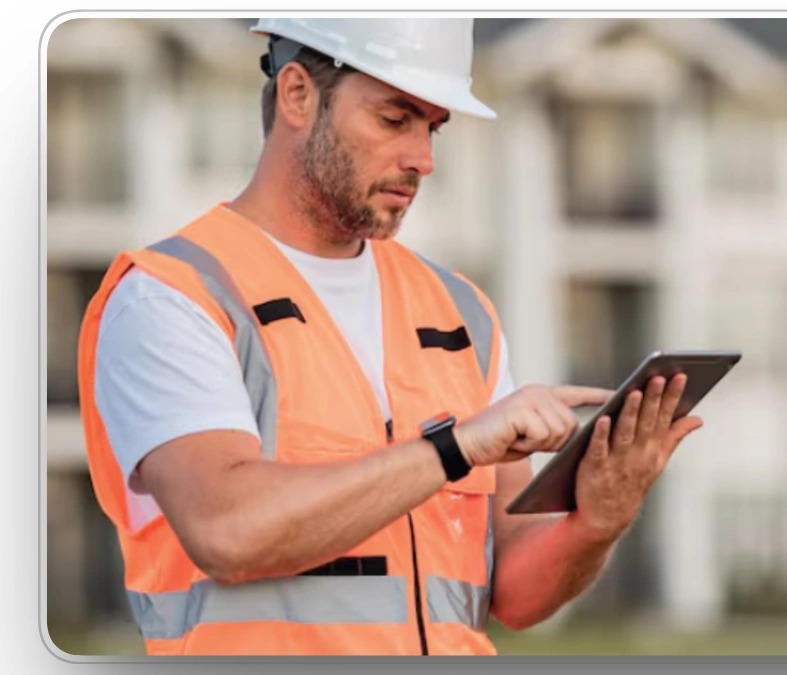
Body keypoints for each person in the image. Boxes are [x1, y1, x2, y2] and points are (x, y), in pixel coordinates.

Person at [76, 17, 704, 657]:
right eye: (394, 119)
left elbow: (510, 592)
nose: (423, 159)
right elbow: (228, 530)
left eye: (432, 127)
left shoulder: (460, 313)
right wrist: (453, 449)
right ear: (297, 95)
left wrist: (598, 519)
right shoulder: (173, 296)